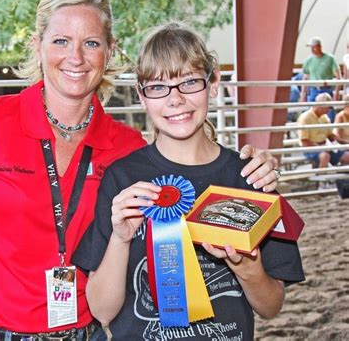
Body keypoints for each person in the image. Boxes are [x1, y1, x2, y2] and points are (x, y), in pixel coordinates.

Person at [0, 0, 280, 341]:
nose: (76, 58)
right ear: (37, 45)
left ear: (109, 51)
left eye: (91, 43)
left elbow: (189, 158)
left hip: (85, 333)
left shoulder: (126, 148)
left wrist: (253, 162)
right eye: (61, 41)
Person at [73, 22, 304, 340]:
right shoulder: (122, 179)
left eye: (189, 83)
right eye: (157, 87)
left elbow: (271, 306)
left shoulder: (249, 176)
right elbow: (101, 310)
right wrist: (120, 239)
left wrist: (250, 271)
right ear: (142, 97)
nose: (175, 99)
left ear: (213, 84)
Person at [297, 92, 349, 168]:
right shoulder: (305, 118)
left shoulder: (324, 117)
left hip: (324, 146)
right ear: (320, 106)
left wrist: (344, 143)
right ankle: (321, 176)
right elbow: (304, 141)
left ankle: (342, 176)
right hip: (310, 148)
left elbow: (330, 136)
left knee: (347, 156)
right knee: (325, 156)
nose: (329, 110)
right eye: (328, 108)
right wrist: (321, 148)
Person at [301, 37, 341, 121]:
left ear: (319, 46)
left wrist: (336, 93)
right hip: (313, 90)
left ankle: (329, 129)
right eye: (311, 47)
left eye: (314, 47)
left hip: (326, 89)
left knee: (328, 113)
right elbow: (305, 77)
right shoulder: (309, 60)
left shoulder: (330, 59)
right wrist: (303, 93)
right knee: (311, 114)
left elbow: (338, 76)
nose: (312, 49)